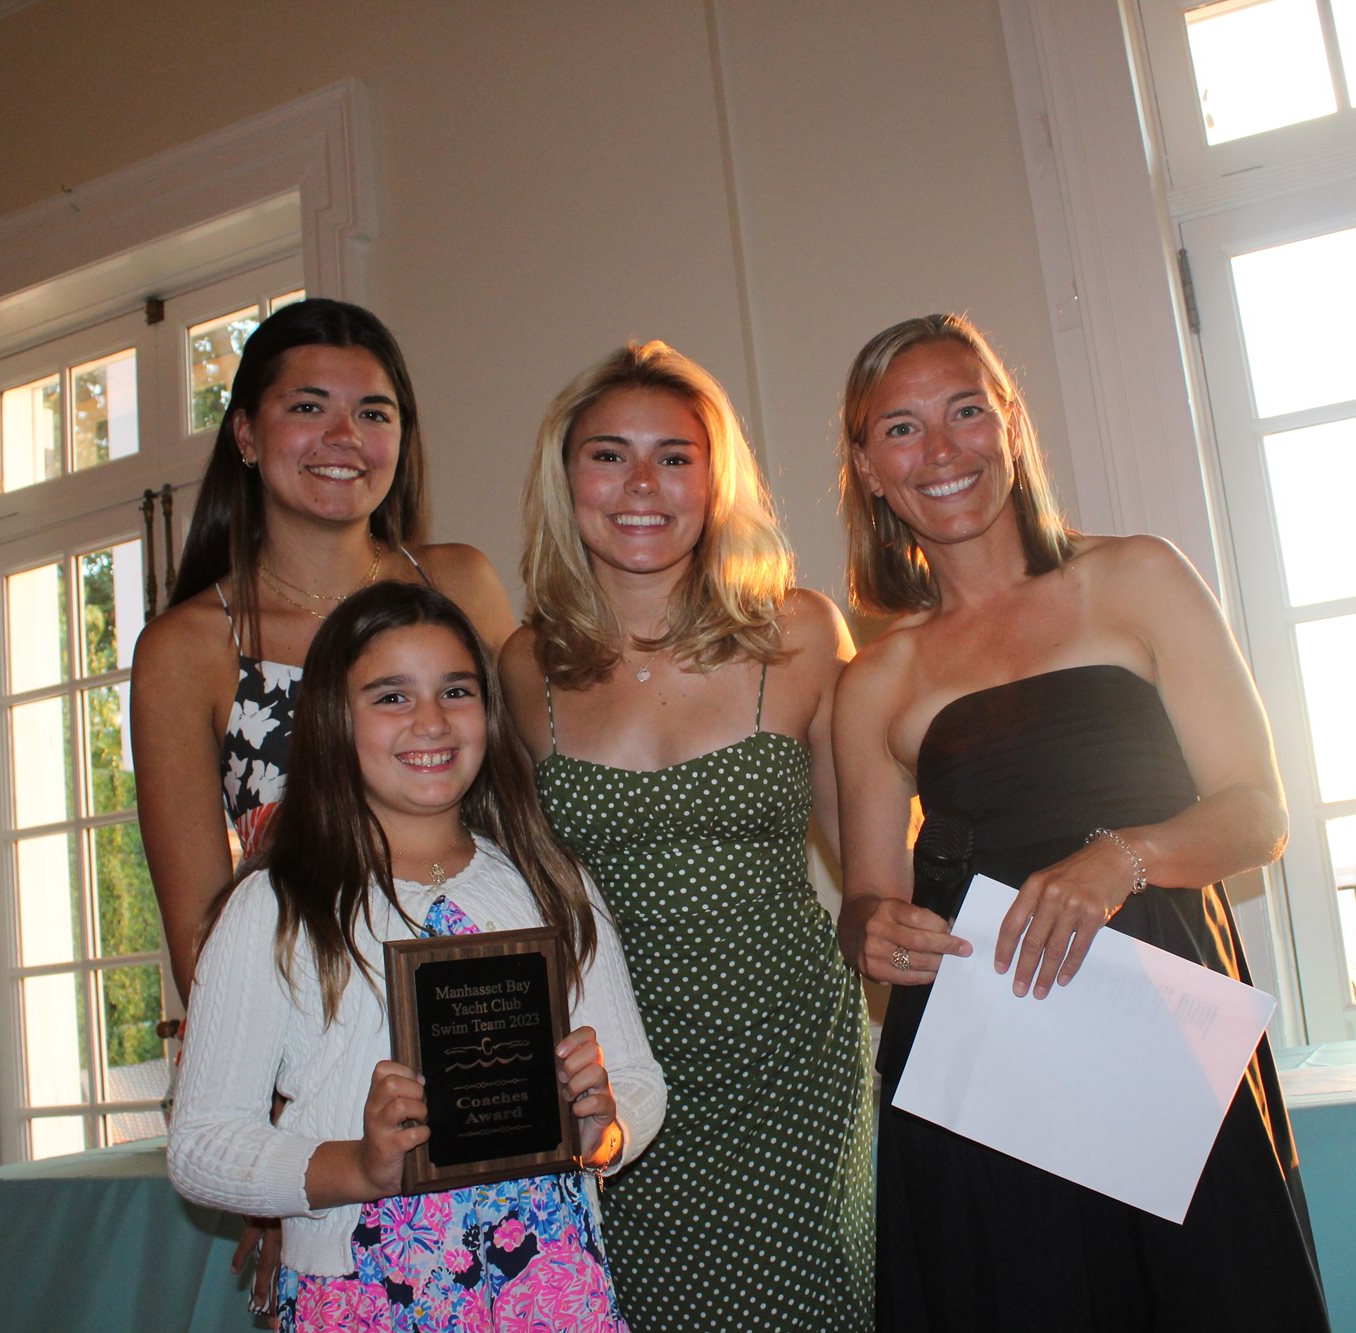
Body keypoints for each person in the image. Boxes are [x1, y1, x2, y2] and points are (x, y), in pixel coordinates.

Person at [832, 313, 1330, 1330]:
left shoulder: (1139, 576)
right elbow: (866, 902)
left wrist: (1123, 858)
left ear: (1010, 426)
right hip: (984, 1061)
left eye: (966, 411)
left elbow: (1257, 811)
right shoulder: (875, 677)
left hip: (1159, 1024)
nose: (941, 450)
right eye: (901, 429)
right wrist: (871, 931)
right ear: (868, 470)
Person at [132, 297, 516, 1307]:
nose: (346, 436)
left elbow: (523, 813)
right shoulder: (187, 646)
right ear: (246, 434)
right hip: (317, 1064)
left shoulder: (461, 585)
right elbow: (201, 930)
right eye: (310, 406)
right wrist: (277, 1162)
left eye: (374, 412)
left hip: (487, 1034)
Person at [168, 581, 663, 1331]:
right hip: (365, 1294)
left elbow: (635, 1076)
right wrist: (358, 1165)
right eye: (392, 696)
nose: (431, 721)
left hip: (551, 1283)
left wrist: (605, 1131)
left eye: (456, 691)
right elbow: (201, 1146)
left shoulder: (549, 881)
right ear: (333, 718)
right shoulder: (276, 905)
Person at [499, 341, 875, 1330]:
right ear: (564, 477)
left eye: (674, 456)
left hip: (792, 1069)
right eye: (608, 455)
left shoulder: (798, 633)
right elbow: (509, 895)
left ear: (715, 481)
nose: (641, 485)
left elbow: (879, 872)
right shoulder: (523, 665)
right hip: (619, 1081)